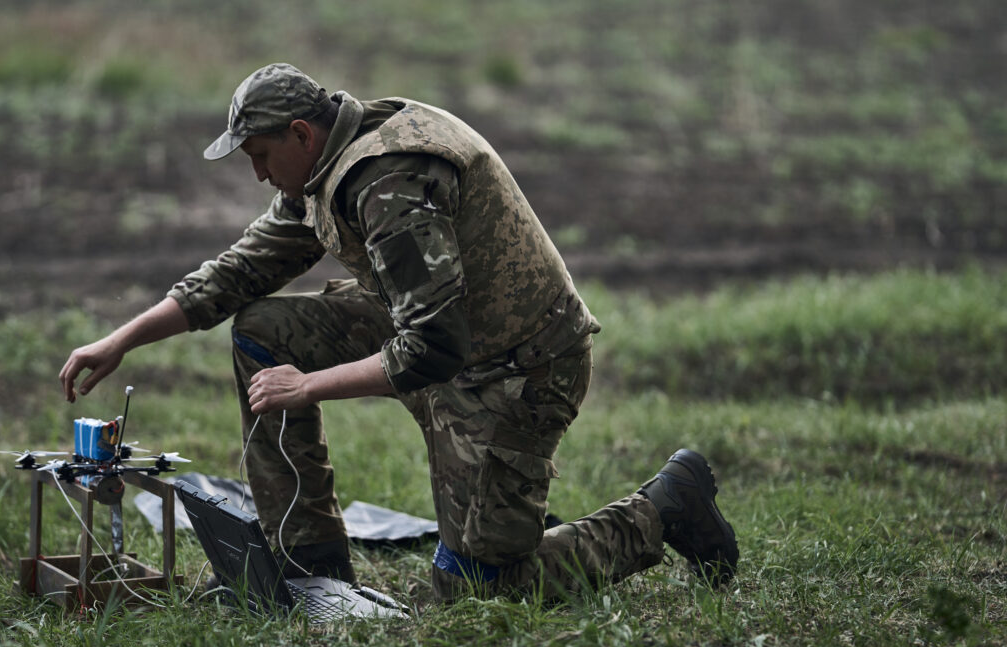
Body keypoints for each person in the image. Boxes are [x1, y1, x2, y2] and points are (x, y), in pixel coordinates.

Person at [59, 63, 738, 602]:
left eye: (261, 156)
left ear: (301, 133)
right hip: (438, 343)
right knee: (263, 328)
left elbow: (434, 345)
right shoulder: (326, 167)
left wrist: (310, 386)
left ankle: (660, 511)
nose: (260, 174)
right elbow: (238, 274)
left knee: (481, 590)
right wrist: (122, 339)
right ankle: (307, 562)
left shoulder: (387, 181)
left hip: (515, 371)